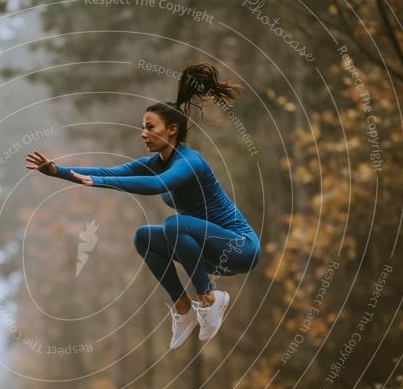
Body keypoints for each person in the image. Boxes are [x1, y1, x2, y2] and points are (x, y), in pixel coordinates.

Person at [25, 62, 260, 350]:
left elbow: (157, 186)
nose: (143, 134)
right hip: (207, 253)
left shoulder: (189, 162)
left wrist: (93, 182)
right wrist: (56, 171)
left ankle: (210, 299)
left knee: (174, 224)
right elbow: (111, 173)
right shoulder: (154, 163)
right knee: (144, 237)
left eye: (150, 127)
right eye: (142, 128)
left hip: (240, 248)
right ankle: (184, 308)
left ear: (171, 129)